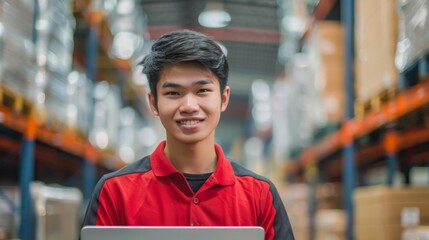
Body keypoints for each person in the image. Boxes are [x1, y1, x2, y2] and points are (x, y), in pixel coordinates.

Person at [81, 29, 295, 240]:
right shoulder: (115, 192)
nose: (189, 106)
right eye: (173, 93)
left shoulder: (259, 195)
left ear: (224, 98)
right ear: (153, 102)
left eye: (202, 91)